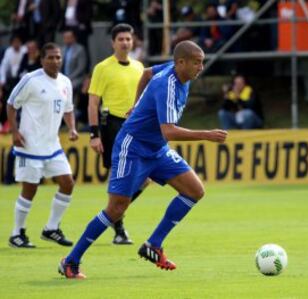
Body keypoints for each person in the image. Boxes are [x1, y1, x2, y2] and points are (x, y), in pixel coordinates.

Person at [58, 40, 228, 279]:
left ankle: (153, 245)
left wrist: (136, 103)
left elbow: (146, 72)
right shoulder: (166, 85)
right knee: (116, 209)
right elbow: (169, 130)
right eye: (197, 63)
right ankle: (71, 260)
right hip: (133, 146)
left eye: (202, 62)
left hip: (157, 148)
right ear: (181, 63)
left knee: (194, 191)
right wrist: (206, 135)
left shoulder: (177, 71)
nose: (201, 67)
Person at [6, 43, 78, 248]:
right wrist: (15, 131)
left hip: (52, 145)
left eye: (58, 58)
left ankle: (51, 228)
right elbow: (11, 104)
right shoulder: (30, 80)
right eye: (50, 58)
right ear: (42, 60)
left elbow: (68, 109)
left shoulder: (65, 82)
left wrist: (72, 128)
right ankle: (16, 233)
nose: (55, 61)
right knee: (30, 189)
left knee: (68, 183)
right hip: (29, 145)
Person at [88, 23, 146, 245]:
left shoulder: (139, 67)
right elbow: (93, 102)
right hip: (113, 124)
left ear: (133, 42)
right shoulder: (103, 68)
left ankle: (113, 214)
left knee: (147, 178)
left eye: (128, 39)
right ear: (113, 42)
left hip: (137, 124)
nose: (125, 42)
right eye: (120, 39)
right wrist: (94, 134)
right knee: (118, 176)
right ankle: (119, 228)